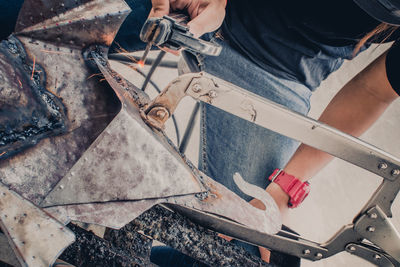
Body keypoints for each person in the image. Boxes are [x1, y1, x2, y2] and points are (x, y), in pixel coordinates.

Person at [1, 0, 399, 265]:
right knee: (35, 10)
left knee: (249, 250)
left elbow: (373, 89)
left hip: (274, 72)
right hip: (187, 5)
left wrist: (280, 194)